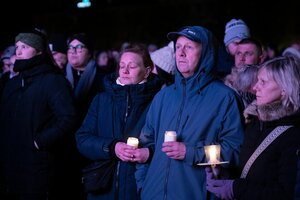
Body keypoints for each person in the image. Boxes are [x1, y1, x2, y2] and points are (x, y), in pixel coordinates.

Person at [135, 26, 245, 199]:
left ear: (206, 53)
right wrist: (143, 185)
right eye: (178, 47)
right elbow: (145, 143)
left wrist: (191, 153)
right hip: (152, 193)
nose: (181, 53)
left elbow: (235, 152)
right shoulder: (163, 96)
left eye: (189, 47)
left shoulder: (225, 98)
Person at [75, 43, 163, 200]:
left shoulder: (158, 101)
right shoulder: (102, 99)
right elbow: (82, 139)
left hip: (139, 189)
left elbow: (168, 143)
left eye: (132, 66)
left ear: (147, 71)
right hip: (102, 189)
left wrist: (149, 153)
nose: (125, 70)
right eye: (122, 65)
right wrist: (112, 147)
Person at [206, 56, 300, 200]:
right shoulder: (256, 123)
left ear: (284, 89)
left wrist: (235, 189)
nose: (255, 87)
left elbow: (287, 193)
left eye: (263, 82)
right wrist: (225, 175)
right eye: (258, 81)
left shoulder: (294, 133)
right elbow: (250, 173)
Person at [0, 28, 78, 200]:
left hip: (39, 165)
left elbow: (68, 118)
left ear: (39, 50)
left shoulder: (53, 81)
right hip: (11, 164)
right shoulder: (13, 84)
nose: (18, 51)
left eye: (25, 47)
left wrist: (39, 142)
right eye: (17, 46)